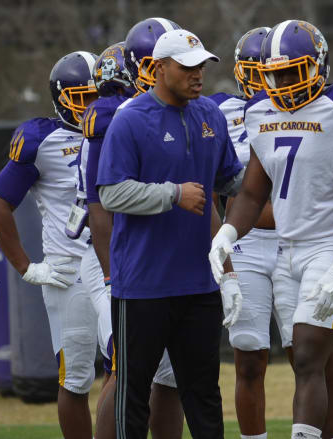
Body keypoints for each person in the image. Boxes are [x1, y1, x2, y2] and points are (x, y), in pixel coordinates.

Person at [209, 20, 333, 439]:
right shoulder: (258, 111)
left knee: (304, 354)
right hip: (288, 250)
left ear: (318, 65)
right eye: (276, 72)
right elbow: (251, 193)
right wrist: (226, 235)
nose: (283, 81)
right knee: (322, 365)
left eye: (293, 70)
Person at [96, 28, 244, 438]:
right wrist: (172, 194)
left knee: (203, 397)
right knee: (133, 396)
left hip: (198, 285)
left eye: (202, 66)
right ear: (160, 68)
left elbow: (232, 179)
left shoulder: (211, 114)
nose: (198, 75)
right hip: (142, 286)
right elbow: (109, 192)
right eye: (188, 67)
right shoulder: (130, 120)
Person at [74, 24, 184, 439]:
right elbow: (101, 203)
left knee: (169, 376)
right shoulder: (110, 113)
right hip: (116, 255)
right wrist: (110, 275)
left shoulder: (157, 110)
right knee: (126, 365)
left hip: (155, 254)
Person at [0, 51, 99, 439]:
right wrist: (26, 266)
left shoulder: (122, 128)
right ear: (62, 97)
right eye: (83, 96)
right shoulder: (40, 139)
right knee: (76, 379)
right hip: (70, 272)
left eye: (99, 95)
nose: (93, 106)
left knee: (131, 369)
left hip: (120, 266)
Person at [209, 26, 294, 439]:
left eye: (272, 71)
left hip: (299, 242)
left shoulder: (311, 109)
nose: (265, 80)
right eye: (255, 71)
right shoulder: (218, 111)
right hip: (244, 244)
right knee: (248, 358)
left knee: (310, 355)